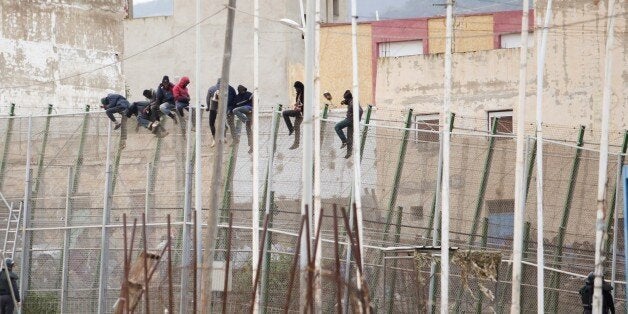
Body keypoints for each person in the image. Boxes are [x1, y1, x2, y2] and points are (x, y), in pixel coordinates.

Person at [206, 79, 236, 147]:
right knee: (223, 122)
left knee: (211, 123)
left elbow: (207, 99)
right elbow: (231, 99)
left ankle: (214, 139)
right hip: (222, 108)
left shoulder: (211, 88)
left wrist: (208, 107)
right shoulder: (227, 89)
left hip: (213, 108)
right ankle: (224, 136)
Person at [334, 90, 363, 159]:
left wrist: (355, 118)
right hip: (353, 121)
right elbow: (350, 103)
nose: (345, 100)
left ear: (348, 98)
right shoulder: (352, 100)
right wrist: (344, 102)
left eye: (345, 99)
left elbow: (360, 110)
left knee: (337, 127)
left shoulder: (353, 103)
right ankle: (349, 153)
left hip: (350, 120)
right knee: (350, 137)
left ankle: (344, 141)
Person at [232, 85, 254, 152]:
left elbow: (255, 100)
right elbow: (235, 105)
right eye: (242, 91)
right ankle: (251, 146)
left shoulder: (249, 94)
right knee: (248, 130)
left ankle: (246, 120)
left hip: (249, 109)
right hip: (245, 112)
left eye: (244, 90)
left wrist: (253, 108)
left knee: (251, 129)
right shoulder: (237, 97)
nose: (243, 92)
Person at [283, 81, 304, 149]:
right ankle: (296, 144)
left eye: (296, 88)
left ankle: (290, 129)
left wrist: (300, 108)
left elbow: (305, 104)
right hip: (298, 111)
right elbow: (299, 103)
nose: (295, 89)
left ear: (299, 87)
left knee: (285, 113)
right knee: (297, 127)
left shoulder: (305, 93)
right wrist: (296, 105)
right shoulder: (298, 94)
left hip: (301, 112)